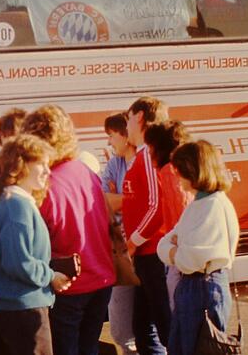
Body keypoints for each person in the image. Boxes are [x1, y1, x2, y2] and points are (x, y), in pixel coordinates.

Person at [22, 105, 115, 355]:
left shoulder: (45, 184)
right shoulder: (85, 171)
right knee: (89, 347)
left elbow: (39, 240)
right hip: (102, 277)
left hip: (68, 283)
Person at [0, 134, 71, 355]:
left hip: (20, 306)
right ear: (20, 165)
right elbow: (19, 263)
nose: (47, 170)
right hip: (24, 308)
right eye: (40, 163)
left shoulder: (14, 202)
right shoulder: (17, 207)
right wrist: (51, 276)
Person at [157, 140, 239, 355]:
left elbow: (190, 257)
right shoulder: (198, 205)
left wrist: (175, 250)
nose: (177, 178)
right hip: (194, 285)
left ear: (194, 171)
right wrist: (177, 249)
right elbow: (164, 244)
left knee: (197, 348)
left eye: (180, 172)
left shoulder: (212, 206)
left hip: (202, 286)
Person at [121, 96, 171, 354]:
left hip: (153, 254)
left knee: (163, 325)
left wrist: (133, 242)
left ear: (140, 117)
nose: (126, 126)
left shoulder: (148, 156)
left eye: (128, 119)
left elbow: (157, 206)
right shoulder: (139, 156)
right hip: (144, 255)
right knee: (143, 328)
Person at [100, 112, 139, 355]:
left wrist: (121, 200)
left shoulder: (144, 162)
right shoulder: (115, 164)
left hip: (145, 250)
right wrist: (131, 201)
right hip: (122, 253)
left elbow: (148, 204)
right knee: (122, 329)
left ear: (125, 135)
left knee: (151, 326)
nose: (108, 142)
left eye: (111, 136)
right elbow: (103, 201)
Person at [144, 120, 193, 312]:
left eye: (150, 147)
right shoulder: (183, 169)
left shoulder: (169, 171)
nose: (148, 152)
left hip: (179, 256)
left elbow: (180, 210)